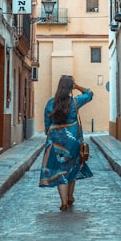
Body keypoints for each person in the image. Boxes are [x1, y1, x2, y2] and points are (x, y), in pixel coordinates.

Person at [38, 75, 93, 211]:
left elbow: (47, 124)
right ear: (70, 88)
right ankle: (70, 196)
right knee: (72, 167)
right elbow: (90, 94)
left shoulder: (50, 103)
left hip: (54, 138)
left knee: (60, 169)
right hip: (72, 139)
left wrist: (51, 135)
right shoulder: (75, 102)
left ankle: (63, 202)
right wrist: (78, 86)